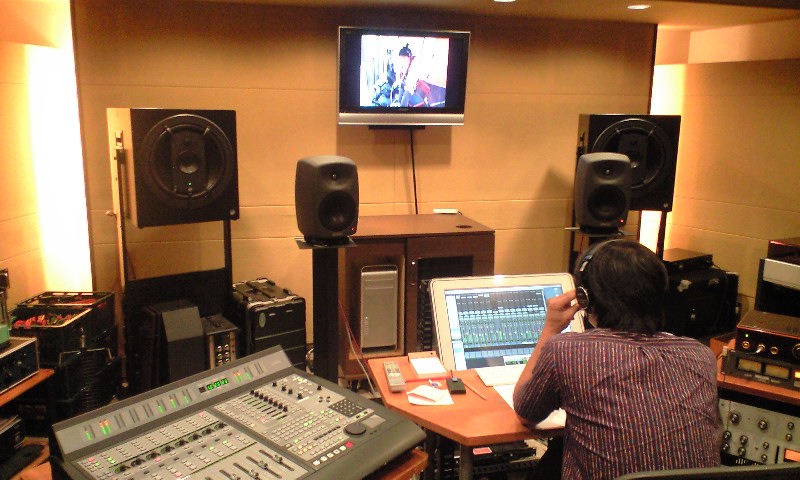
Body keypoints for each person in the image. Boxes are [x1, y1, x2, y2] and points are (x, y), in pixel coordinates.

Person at [513, 239, 721, 480]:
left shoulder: (566, 351)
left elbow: (526, 413)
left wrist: (550, 328)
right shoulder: (701, 355)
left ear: (584, 298)